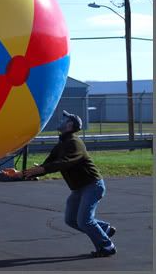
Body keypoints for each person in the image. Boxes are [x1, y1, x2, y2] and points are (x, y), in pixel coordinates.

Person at [22, 110, 117, 258]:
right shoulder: (62, 144)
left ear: (69, 124)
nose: (60, 121)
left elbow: (64, 163)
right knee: (71, 220)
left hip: (92, 185)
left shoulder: (75, 142)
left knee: (85, 220)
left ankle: (107, 246)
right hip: (79, 188)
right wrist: (24, 173)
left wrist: (42, 168)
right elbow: (48, 164)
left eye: (64, 119)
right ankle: (104, 228)